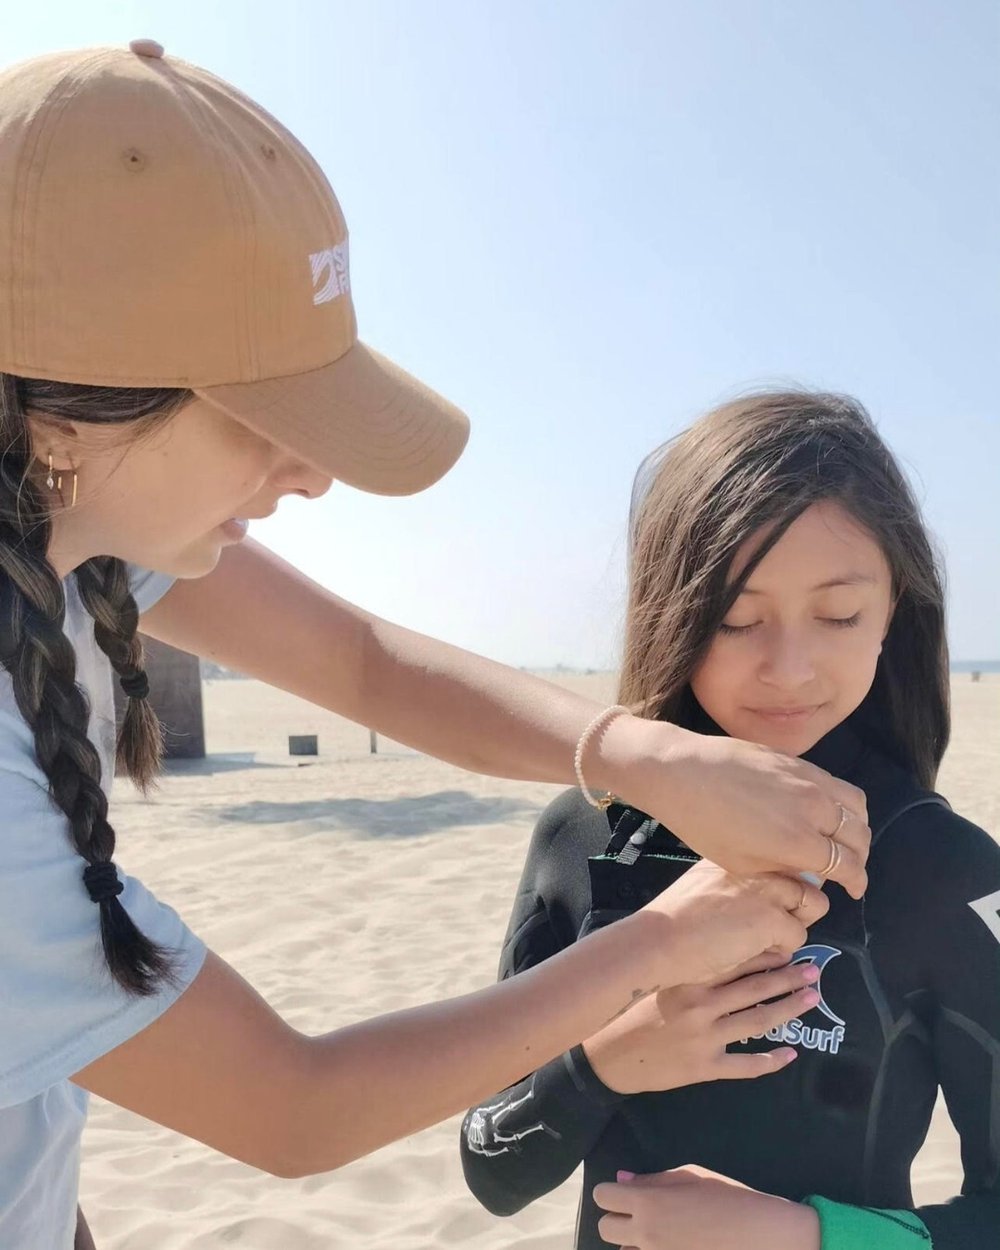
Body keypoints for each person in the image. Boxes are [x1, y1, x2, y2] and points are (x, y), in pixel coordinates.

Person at [0, 43, 870, 1250]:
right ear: (61, 411)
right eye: (266, 417)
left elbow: (360, 661)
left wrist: (643, 756)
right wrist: (662, 938)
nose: (310, 471)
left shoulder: (69, 516)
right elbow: (290, 1107)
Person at [461, 390, 999, 1250]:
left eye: (838, 614)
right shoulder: (583, 834)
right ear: (673, 613)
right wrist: (605, 1064)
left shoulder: (946, 869)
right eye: (737, 618)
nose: (788, 668)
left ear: (895, 607)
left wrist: (804, 1235)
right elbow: (489, 1164)